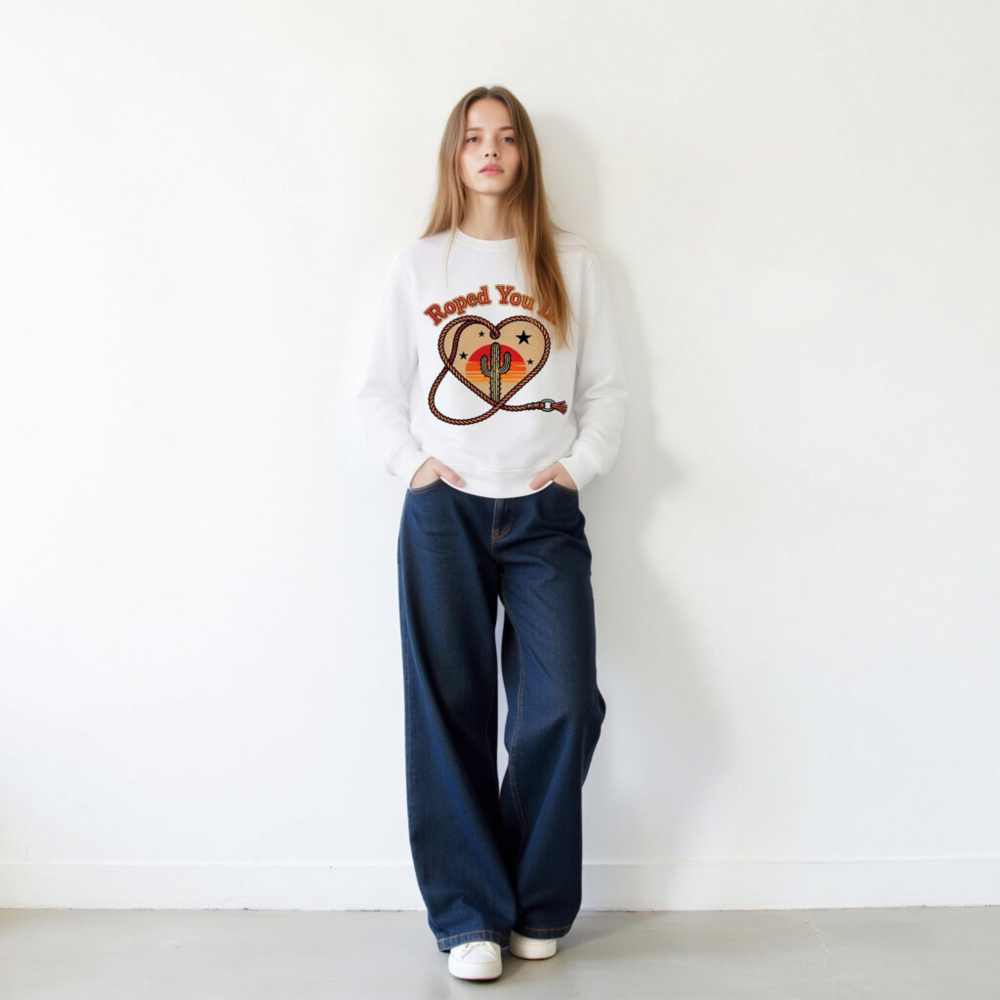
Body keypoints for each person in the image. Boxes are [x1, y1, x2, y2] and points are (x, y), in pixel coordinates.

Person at [358, 85, 627, 982]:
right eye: (474, 137)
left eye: (506, 137)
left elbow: (606, 390)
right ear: (454, 154)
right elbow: (376, 392)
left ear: (524, 155)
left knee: (564, 705)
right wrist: (414, 467)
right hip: (445, 512)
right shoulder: (420, 265)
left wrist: (578, 466)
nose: (490, 150)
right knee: (451, 712)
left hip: (545, 514)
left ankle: (533, 897)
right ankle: (469, 914)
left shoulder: (571, 263)